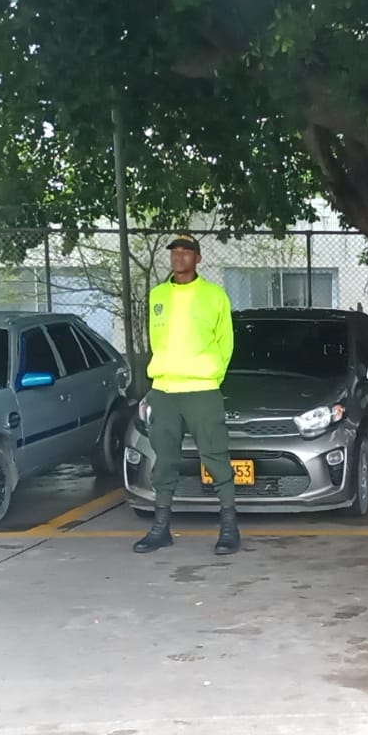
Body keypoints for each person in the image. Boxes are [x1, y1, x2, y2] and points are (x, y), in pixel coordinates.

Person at [133, 233, 241, 556]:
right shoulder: (157, 296)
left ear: (198, 259)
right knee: (164, 459)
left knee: (215, 456)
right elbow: (156, 339)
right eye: (175, 251)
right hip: (164, 390)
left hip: (201, 389)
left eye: (186, 251)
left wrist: (210, 376)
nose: (179, 256)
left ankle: (229, 527)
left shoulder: (214, 295)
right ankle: (161, 527)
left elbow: (226, 342)